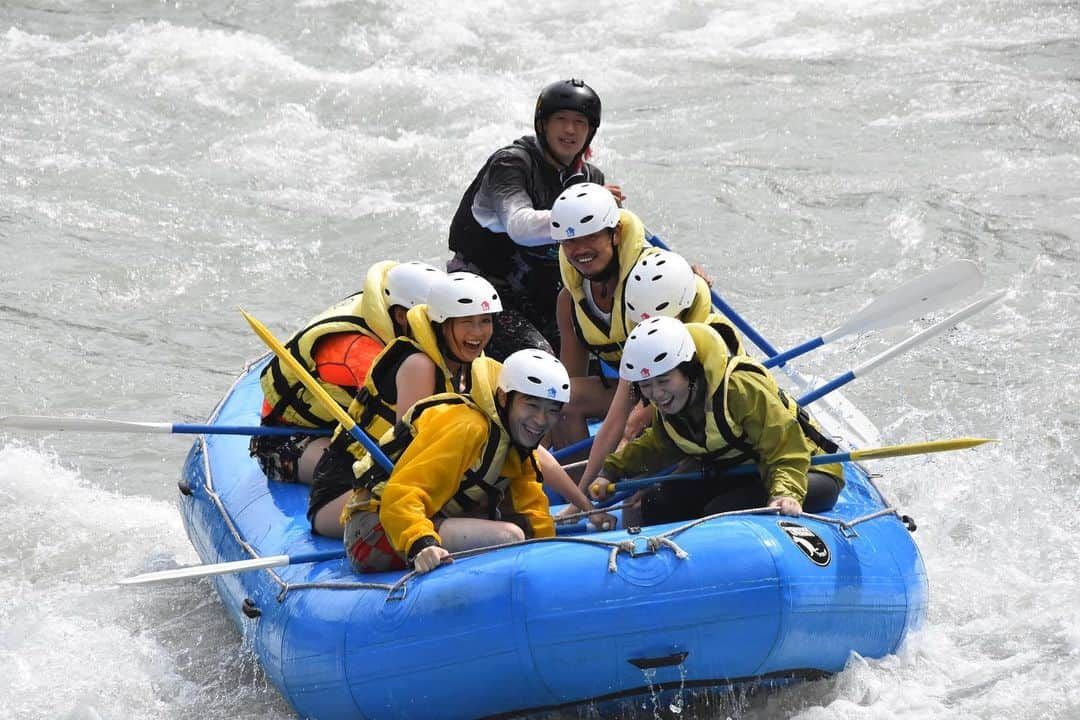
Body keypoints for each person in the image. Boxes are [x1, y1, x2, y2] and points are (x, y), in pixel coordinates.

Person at [308, 272, 608, 537]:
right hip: (351, 492)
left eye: (485, 322)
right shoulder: (419, 365)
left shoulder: (477, 369)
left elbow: (530, 452)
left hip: (406, 483)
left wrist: (584, 506)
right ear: (442, 324)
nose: (478, 334)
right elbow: (407, 459)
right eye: (467, 323)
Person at [589, 317, 844, 524]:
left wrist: (785, 493)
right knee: (658, 504)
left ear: (688, 371)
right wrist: (611, 471)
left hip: (805, 470)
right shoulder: (671, 404)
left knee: (721, 511)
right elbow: (656, 446)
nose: (656, 394)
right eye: (646, 385)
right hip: (745, 475)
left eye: (664, 381)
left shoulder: (738, 389)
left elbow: (785, 448)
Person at [340, 349, 571, 574]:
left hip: (431, 519)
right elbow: (400, 494)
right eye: (531, 405)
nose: (541, 420)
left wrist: (548, 553)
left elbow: (532, 510)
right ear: (503, 397)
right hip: (376, 530)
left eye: (552, 410)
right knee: (510, 536)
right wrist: (421, 542)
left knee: (523, 528)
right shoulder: (468, 428)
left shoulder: (519, 447)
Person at [447, 79, 624, 361]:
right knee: (539, 361)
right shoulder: (509, 165)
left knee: (598, 354)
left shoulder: (591, 179)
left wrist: (683, 272)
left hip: (542, 296)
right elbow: (521, 226)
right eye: (561, 120)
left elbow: (616, 247)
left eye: (580, 122)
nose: (570, 130)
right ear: (542, 125)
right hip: (484, 293)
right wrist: (585, 207)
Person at [250, 260, 443, 485]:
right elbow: (406, 432)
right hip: (287, 439)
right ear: (401, 316)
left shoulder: (383, 312)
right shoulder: (363, 354)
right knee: (373, 479)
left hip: (336, 427)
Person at [573, 248, 745, 493]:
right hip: (678, 430)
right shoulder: (646, 338)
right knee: (633, 429)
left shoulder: (714, 337)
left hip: (719, 439)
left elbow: (639, 424)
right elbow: (614, 422)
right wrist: (584, 493)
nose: (654, 332)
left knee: (647, 492)